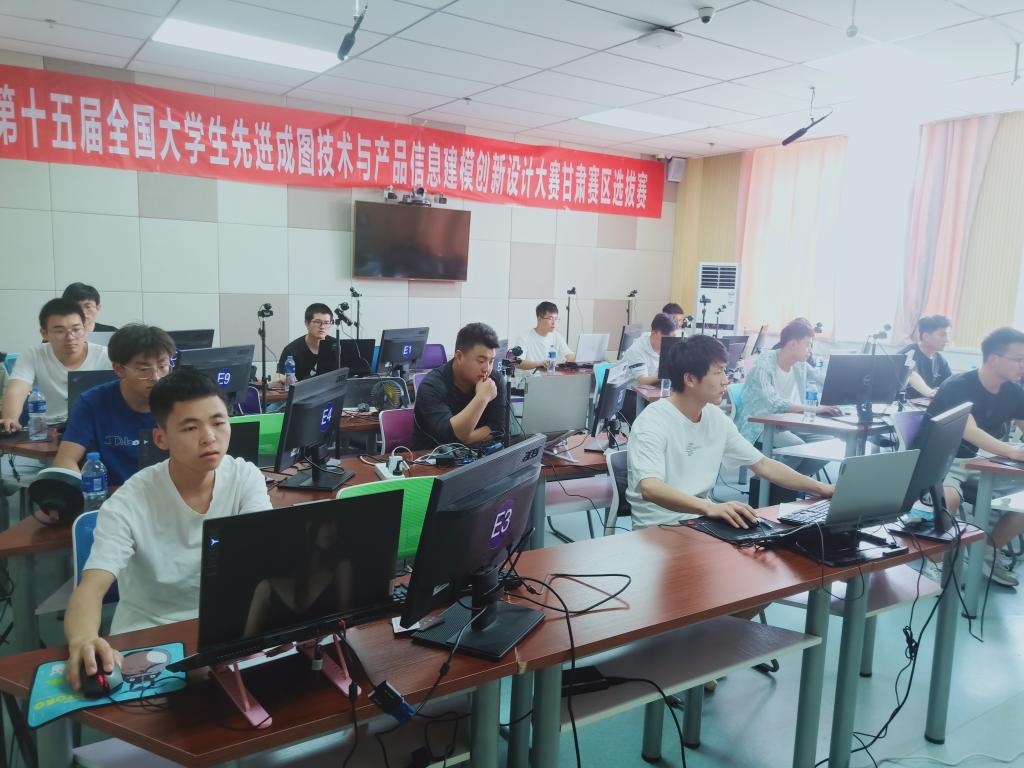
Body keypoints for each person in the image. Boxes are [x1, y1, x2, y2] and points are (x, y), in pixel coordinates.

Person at [63, 368, 272, 690]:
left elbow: (264, 557)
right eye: (190, 427)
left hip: (226, 631)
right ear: (161, 438)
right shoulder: (129, 502)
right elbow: (92, 587)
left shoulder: (245, 478)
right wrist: (83, 640)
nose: (209, 437)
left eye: (218, 422)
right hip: (150, 634)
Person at [627, 335, 833, 530]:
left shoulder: (715, 417)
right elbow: (650, 488)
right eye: (718, 372)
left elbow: (762, 464)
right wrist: (709, 507)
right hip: (659, 527)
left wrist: (823, 489)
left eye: (725, 371)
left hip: (699, 521)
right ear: (690, 379)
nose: (725, 380)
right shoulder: (653, 421)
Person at [927, 326, 1024, 587]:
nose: (1023, 365)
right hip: (947, 462)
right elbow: (969, 431)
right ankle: (934, 563)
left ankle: (988, 553)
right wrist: (1012, 451)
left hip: (987, 462)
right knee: (949, 498)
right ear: (993, 359)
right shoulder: (959, 386)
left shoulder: (1013, 391)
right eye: (1018, 359)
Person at [52, 325, 175, 486]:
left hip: (167, 492)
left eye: (162, 366)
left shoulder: (180, 401)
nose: (156, 377)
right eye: (144, 369)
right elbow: (65, 460)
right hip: (111, 495)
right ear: (119, 369)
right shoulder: (91, 403)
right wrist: (87, 493)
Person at [736, 318, 841, 486]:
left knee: (827, 445)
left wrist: (851, 382)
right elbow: (773, 403)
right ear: (793, 344)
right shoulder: (764, 364)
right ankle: (766, 486)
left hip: (788, 422)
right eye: (808, 345)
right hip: (759, 425)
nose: (810, 350)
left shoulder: (800, 364)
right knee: (797, 449)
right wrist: (816, 409)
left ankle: (787, 485)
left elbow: (822, 379)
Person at [0, 299, 111, 431]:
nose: (70, 337)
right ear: (44, 334)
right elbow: (17, 389)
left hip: (95, 427)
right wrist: (10, 418)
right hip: (49, 429)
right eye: (60, 331)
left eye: (76, 329)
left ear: (85, 329)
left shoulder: (106, 356)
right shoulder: (33, 354)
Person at [243, 518, 353, 638]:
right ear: (308, 524)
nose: (335, 529)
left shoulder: (340, 568)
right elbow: (247, 644)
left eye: (336, 523)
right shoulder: (266, 588)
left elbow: (347, 627)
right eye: (327, 521)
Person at [412, 322, 507, 449]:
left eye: (491, 361)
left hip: (480, 455)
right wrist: (482, 397)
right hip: (432, 457)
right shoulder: (431, 386)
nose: (487, 368)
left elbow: (498, 429)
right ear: (459, 357)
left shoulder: (494, 381)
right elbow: (450, 436)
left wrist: (464, 437)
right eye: (481, 361)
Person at [277, 303, 336, 382]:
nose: (322, 327)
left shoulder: (336, 346)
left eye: (326, 323)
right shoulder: (291, 350)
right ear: (306, 323)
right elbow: (282, 378)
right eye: (317, 322)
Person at [901, 315, 952, 399]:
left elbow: (950, 383)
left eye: (947, 335)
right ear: (926, 336)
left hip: (927, 404)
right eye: (942, 335)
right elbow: (910, 374)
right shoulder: (908, 353)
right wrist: (931, 393)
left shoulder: (940, 360)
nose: (947, 340)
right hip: (905, 405)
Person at [620, 313, 678, 386]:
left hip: (652, 387)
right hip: (633, 390)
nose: (669, 342)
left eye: (672, 337)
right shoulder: (636, 350)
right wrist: (666, 375)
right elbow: (642, 381)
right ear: (653, 333)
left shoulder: (663, 344)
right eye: (666, 338)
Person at [515, 301, 574, 371]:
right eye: (550, 318)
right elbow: (518, 362)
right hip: (532, 377)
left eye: (556, 319)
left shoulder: (557, 336)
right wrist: (540, 363)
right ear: (539, 319)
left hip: (552, 376)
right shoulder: (524, 338)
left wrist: (576, 358)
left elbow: (569, 355)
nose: (554, 323)